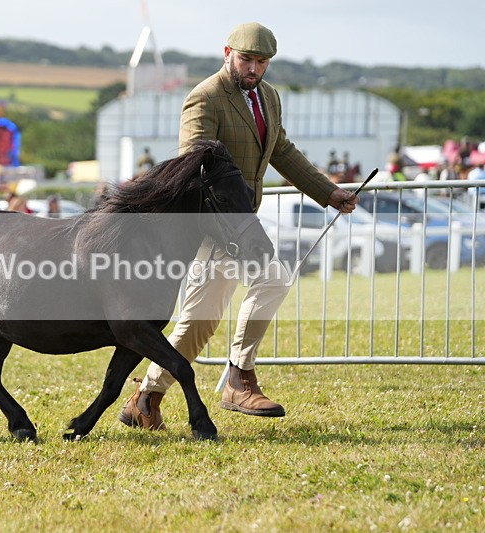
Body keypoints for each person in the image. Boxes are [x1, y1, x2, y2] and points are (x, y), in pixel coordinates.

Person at [118, 22, 359, 430]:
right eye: (246, 59)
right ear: (226, 52)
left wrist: (328, 192)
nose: (253, 68)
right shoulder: (205, 97)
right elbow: (193, 163)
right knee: (273, 279)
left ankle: (145, 399)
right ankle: (239, 378)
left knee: (198, 323)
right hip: (215, 224)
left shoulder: (268, 97)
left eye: (261, 62)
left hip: (239, 224)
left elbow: (280, 149)